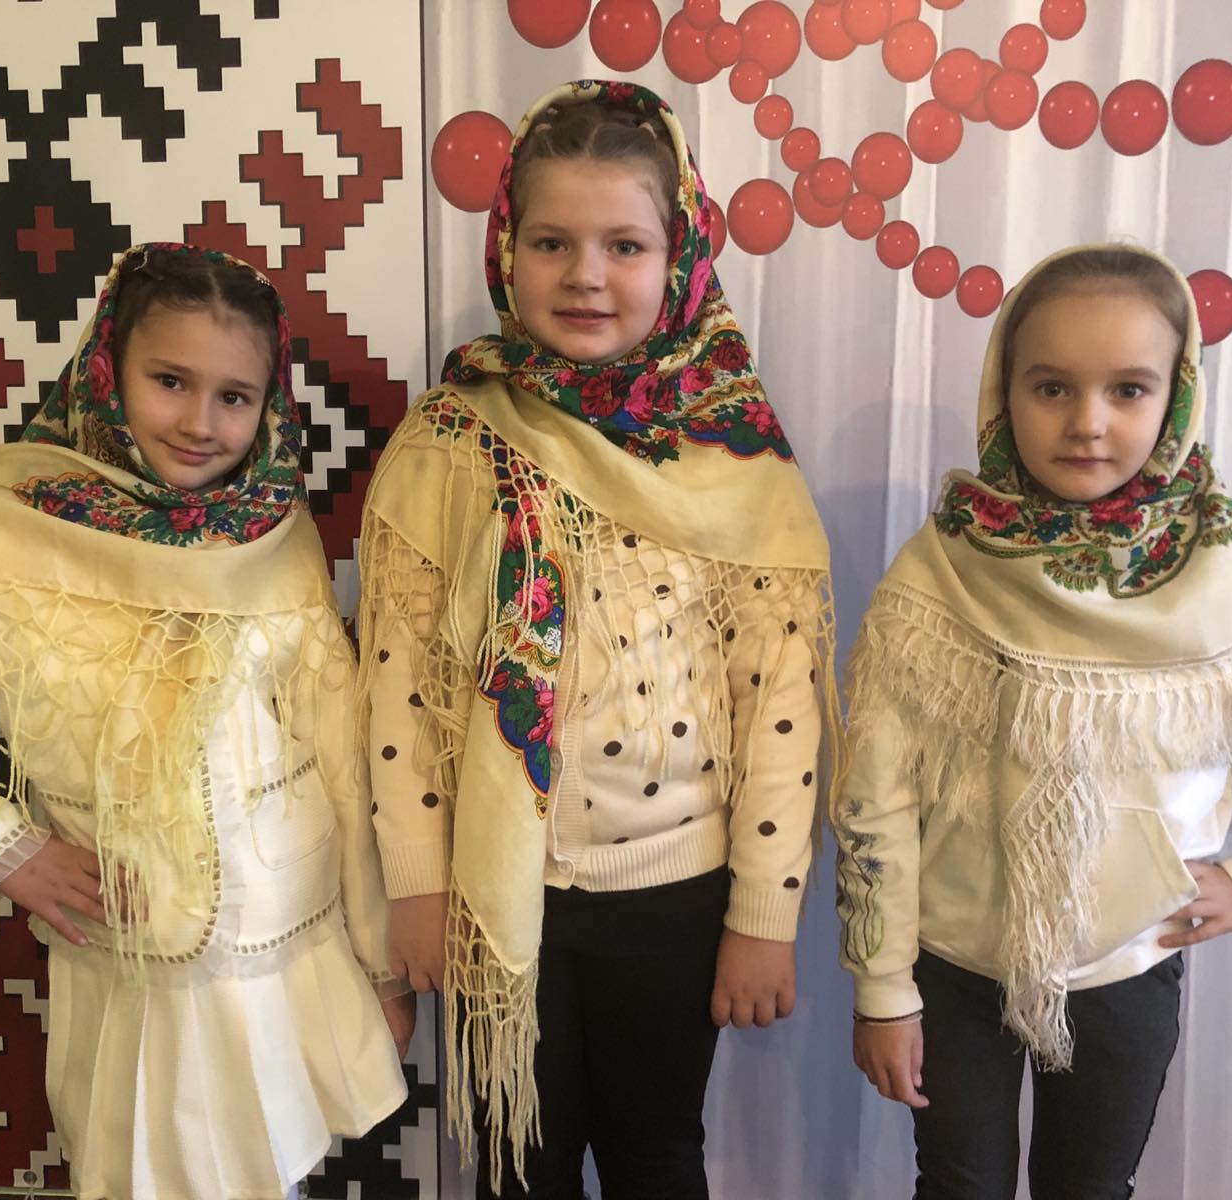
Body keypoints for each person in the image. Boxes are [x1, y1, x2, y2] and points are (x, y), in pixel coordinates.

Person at [0, 242, 413, 1200]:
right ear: (108, 371)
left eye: (234, 396)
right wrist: (8, 852)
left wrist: (379, 967)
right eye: (170, 381)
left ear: (268, 408)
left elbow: (339, 756)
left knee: (276, 1172)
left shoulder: (275, 534)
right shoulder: (18, 536)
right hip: (135, 964)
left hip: (286, 947)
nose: (200, 423)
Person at [357, 81, 839, 1199]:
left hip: (675, 890)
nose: (585, 274)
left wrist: (764, 915)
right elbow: (398, 685)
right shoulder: (449, 441)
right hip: (491, 887)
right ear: (505, 251)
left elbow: (779, 702)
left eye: (624, 245)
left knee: (655, 1154)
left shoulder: (733, 450)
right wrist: (413, 884)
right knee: (515, 1163)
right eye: (552, 242)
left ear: (680, 257)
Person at [835, 243, 1232, 1198]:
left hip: (1128, 964)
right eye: (1052, 387)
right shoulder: (943, 563)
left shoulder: (1227, 572)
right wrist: (882, 990)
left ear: (1176, 397)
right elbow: (873, 795)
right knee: (959, 1186)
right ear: (1004, 390)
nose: (1088, 423)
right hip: (952, 965)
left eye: (1128, 390)